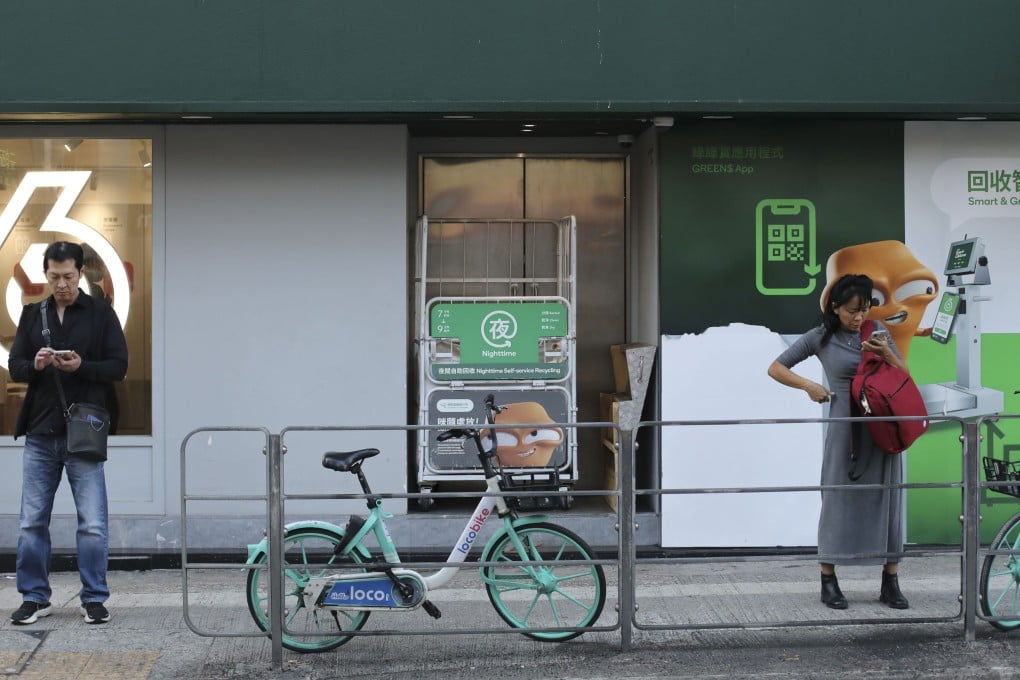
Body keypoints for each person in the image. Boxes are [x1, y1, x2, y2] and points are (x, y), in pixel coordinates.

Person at [767, 273, 910, 610]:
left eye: (864, 309)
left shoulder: (877, 331)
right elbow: (776, 367)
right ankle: (828, 579)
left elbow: (903, 375)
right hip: (845, 428)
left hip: (882, 427)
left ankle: (890, 581)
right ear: (834, 307)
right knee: (835, 498)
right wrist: (810, 387)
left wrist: (886, 354)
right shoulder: (821, 336)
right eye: (851, 311)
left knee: (887, 498)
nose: (859, 317)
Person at [7, 241, 128, 625]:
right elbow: (15, 366)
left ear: (81, 273)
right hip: (41, 432)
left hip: (84, 433)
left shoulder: (100, 313)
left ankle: (93, 597)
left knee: (92, 523)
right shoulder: (32, 314)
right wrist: (37, 364)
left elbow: (119, 366)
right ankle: (34, 596)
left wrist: (82, 367)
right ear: (45, 274)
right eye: (55, 276)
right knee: (31, 522)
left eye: (69, 276)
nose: (61, 284)